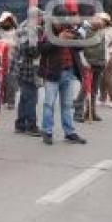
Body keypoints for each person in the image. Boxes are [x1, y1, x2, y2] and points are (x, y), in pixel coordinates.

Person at [37, 9, 87, 146]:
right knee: (49, 104)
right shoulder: (46, 31)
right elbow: (41, 49)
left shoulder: (70, 29)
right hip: (51, 72)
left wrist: (75, 39)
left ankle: (70, 132)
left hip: (68, 71)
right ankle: (47, 131)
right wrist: (59, 39)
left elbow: (81, 46)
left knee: (67, 105)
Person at [14, 7, 43, 136]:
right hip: (28, 68)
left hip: (23, 67)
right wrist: (41, 48)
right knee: (32, 98)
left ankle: (20, 124)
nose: (41, 19)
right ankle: (31, 126)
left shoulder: (23, 27)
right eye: (39, 17)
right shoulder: (29, 30)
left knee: (25, 98)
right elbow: (29, 50)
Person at [73, 14, 106, 123]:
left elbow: (103, 47)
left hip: (99, 63)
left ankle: (91, 111)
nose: (101, 26)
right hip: (88, 63)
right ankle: (78, 112)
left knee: (94, 89)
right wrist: (84, 62)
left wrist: (104, 60)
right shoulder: (83, 31)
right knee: (85, 88)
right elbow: (79, 49)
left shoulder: (101, 31)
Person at [0, 12, 19, 109]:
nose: (6, 23)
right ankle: (3, 100)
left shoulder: (16, 32)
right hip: (0, 61)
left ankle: (11, 102)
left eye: (8, 20)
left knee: (11, 82)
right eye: (4, 21)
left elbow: (18, 45)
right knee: (1, 82)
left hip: (12, 60)